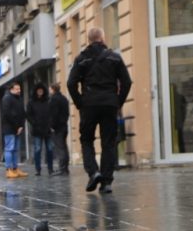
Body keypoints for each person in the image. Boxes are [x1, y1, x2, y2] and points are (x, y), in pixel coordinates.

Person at [67, 27, 132, 194]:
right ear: (102, 38)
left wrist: (79, 102)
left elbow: (70, 83)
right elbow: (127, 81)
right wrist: (118, 101)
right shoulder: (114, 57)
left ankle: (93, 172)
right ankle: (107, 182)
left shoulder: (81, 59)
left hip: (89, 104)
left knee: (87, 140)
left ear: (89, 40)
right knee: (108, 142)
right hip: (110, 104)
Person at [26, 82, 54, 176]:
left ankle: (50, 168)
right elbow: (28, 115)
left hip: (48, 129)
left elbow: (52, 114)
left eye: (41, 90)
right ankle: (38, 169)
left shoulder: (48, 100)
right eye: (38, 90)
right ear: (36, 91)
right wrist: (34, 123)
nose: (40, 92)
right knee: (37, 150)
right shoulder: (31, 102)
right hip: (37, 130)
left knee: (50, 149)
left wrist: (51, 124)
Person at [0, 82, 28, 179]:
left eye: (19, 89)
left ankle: (15, 168)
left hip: (17, 128)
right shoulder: (7, 98)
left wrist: (21, 126)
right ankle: (9, 170)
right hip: (9, 128)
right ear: (11, 89)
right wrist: (17, 126)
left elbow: (22, 113)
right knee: (9, 149)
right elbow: (7, 114)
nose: (19, 90)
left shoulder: (18, 99)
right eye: (17, 89)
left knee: (16, 150)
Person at [49, 83, 70, 175]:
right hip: (64, 126)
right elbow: (67, 113)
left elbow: (54, 114)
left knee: (60, 148)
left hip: (57, 128)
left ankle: (62, 168)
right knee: (64, 147)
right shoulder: (64, 99)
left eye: (50, 89)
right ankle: (65, 167)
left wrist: (52, 126)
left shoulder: (54, 99)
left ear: (53, 89)